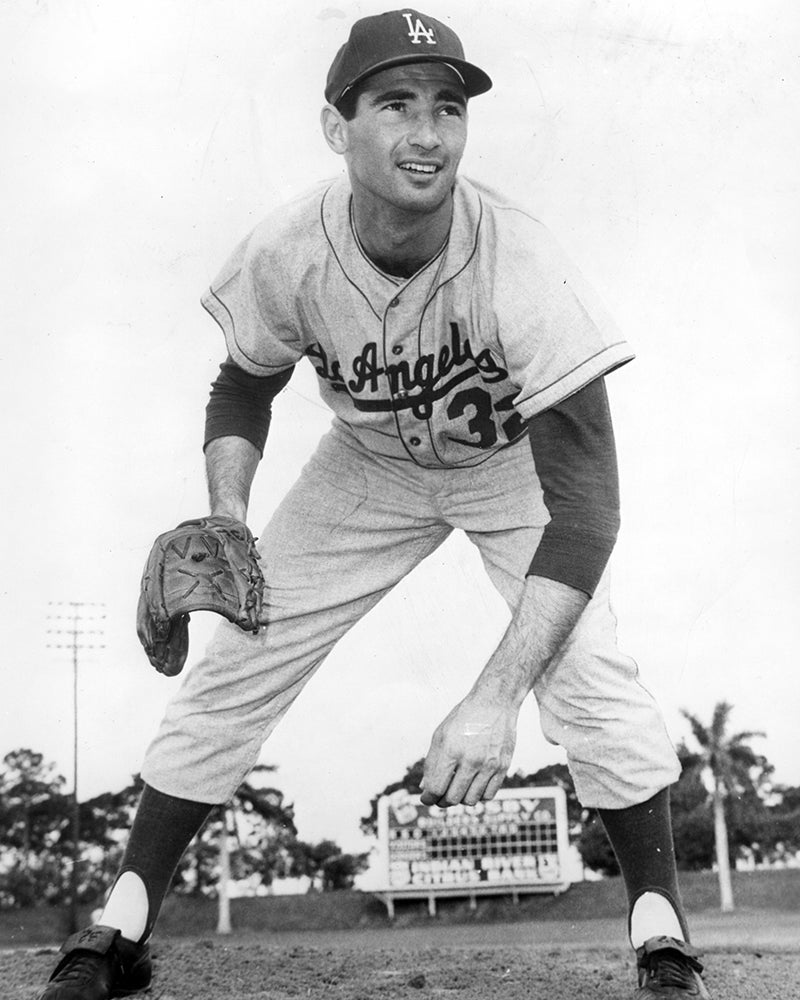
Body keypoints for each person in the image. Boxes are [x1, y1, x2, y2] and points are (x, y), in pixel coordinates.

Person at [38, 9, 710, 999]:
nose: (426, 133)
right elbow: (244, 381)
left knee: (587, 670)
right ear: (334, 126)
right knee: (244, 654)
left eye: (447, 106)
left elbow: (589, 505)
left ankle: (659, 928)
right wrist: (227, 510)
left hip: (507, 467)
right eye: (394, 104)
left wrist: (493, 697)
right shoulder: (285, 250)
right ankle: (125, 917)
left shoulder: (522, 262)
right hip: (366, 465)